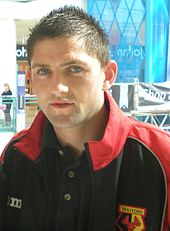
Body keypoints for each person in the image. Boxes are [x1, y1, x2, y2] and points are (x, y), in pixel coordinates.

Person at [0, 5, 170, 231]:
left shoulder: (161, 157)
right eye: (43, 71)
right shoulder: (15, 156)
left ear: (107, 75)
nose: (57, 87)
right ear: (30, 77)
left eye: (74, 69)